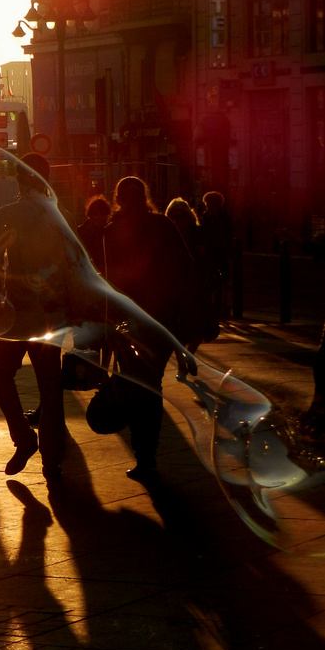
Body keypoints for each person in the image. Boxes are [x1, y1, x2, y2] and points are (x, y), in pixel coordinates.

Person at [103, 176, 198, 482]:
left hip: (130, 320)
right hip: (162, 320)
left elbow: (109, 281)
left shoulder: (112, 230)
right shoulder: (163, 226)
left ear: (118, 198)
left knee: (135, 383)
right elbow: (186, 269)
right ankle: (148, 454)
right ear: (145, 196)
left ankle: (143, 453)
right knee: (152, 384)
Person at [0, 152, 66, 482]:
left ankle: (23, 437)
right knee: (50, 387)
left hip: (16, 311)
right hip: (49, 312)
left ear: (19, 180)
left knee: (0, 374)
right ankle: (52, 462)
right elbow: (71, 267)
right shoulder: (61, 218)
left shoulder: (7, 213)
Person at [165, 197, 220, 350]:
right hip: (177, 286)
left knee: (199, 326)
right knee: (179, 328)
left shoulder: (199, 233)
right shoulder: (169, 236)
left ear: (188, 216)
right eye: (172, 217)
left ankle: (189, 355)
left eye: (180, 216)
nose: (176, 220)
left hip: (198, 285)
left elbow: (211, 256)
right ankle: (183, 359)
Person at [199, 190, 232, 318]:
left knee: (220, 282)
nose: (208, 208)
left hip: (219, 253)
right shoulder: (205, 217)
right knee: (209, 281)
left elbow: (226, 236)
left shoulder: (223, 219)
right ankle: (211, 305)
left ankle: (218, 305)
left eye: (210, 205)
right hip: (209, 253)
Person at [76, 195, 111, 274]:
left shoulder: (108, 231)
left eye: (103, 214)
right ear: (90, 215)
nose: (100, 217)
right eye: (97, 214)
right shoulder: (81, 232)